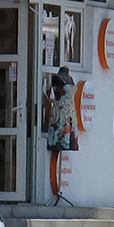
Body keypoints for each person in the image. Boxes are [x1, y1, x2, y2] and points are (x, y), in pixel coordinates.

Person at [46, 72, 76, 201]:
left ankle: (60, 188)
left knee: (63, 147)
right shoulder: (57, 78)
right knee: (57, 148)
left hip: (68, 114)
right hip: (61, 113)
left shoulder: (69, 78)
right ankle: (55, 187)